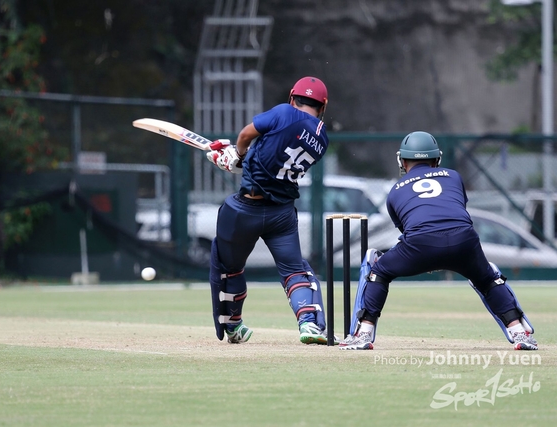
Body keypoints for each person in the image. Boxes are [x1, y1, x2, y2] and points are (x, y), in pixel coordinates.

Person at [339, 131, 538, 351]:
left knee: (379, 270)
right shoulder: (454, 176)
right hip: (464, 239)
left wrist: (429, 258)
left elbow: (409, 230)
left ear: (402, 161)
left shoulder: (395, 190)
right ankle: (518, 332)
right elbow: (456, 210)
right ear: (436, 159)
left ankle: (364, 333)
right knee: (487, 279)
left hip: (420, 244)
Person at [205, 76, 332, 344]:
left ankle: (234, 326)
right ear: (323, 107)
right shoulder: (322, 138)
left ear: (292, 97)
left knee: (230, 269)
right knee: (294, 271)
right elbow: (276, 157)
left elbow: (245, 135)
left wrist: (236, 156)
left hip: (246, 209)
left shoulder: (284, 112)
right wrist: (243, 160)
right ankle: (308, 324)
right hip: (281, 214)